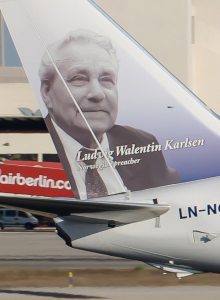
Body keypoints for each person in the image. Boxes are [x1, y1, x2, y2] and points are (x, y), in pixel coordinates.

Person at [38, 29, 181, 197]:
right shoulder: (41, 151)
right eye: (79, 78)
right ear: (47, 92)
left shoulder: (142, 145)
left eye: (106, 79)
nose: (97, 93)